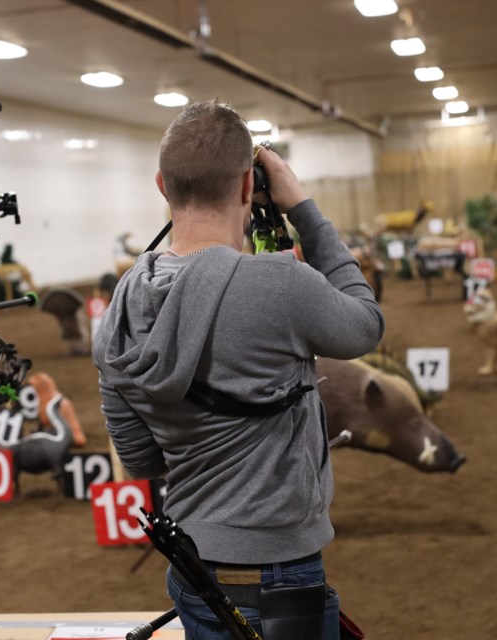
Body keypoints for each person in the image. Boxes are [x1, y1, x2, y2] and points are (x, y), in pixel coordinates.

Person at [92, 101, 384, 640]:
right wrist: (305, 211)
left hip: (193, 565)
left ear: (162, 185)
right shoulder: (281, 286)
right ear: (250, 186)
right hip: (281, 572)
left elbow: (140, 460)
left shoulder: (117, 315)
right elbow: (366, 324)